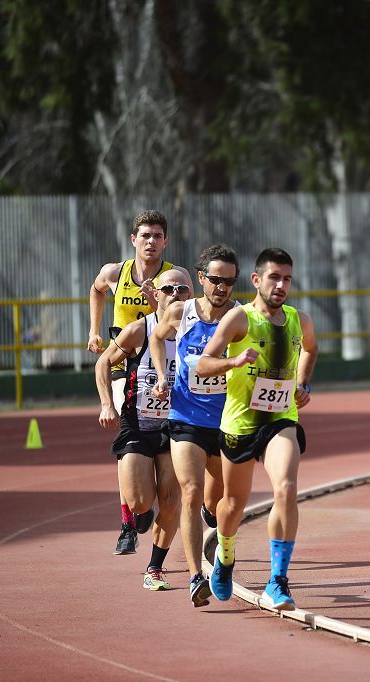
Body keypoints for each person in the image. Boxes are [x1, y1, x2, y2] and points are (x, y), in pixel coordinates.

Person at [196, 248, 317, 611]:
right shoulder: (239, 319)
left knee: (286, 488)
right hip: (240, 423)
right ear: (256, 280)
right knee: (232, 505)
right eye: (274, 278)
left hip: (281, 418)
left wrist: (303, 384)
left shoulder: (301, 321)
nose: (281, 286)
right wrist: (235, 360)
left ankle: (277, 581)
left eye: (287, 279)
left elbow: (310, 350)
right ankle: (226, 553)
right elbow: (203, 365)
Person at [87, 208, 191, 555]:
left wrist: (159, 301)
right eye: (145, 236)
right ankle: (128, 522)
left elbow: (175, 313)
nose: (151, 242)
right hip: (126, 355)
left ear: (166, 241)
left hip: (159, 347)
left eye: (157, 236)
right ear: (134, 240)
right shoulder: (115, 272)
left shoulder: (173, 279)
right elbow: (96, 290)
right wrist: (93, 329)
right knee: (127, 417)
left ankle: (156, 495)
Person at [149, 244, 241, 608]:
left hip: (226, 421)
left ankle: (213, 529)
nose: (221, 287)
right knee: (189, 491)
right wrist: (161, 375)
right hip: (186, 417)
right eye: (215, 279)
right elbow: (156, 337)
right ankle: (194, 576)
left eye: (229, 282)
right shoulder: (181, 312)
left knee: (220, 503)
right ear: (201, 278)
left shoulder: (241, 317)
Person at [95, 269, 192, 590]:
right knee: (140, 503)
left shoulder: (201, 332)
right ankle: (137, 514)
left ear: (192, 295)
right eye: (169, 289)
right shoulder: (140, 329)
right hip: (138, 425)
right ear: (156, 295)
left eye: (183, 289)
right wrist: (107, 403)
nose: (176, 294)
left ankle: (155, 568)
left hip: (176, 427)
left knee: (171, 499)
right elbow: (103, 363)